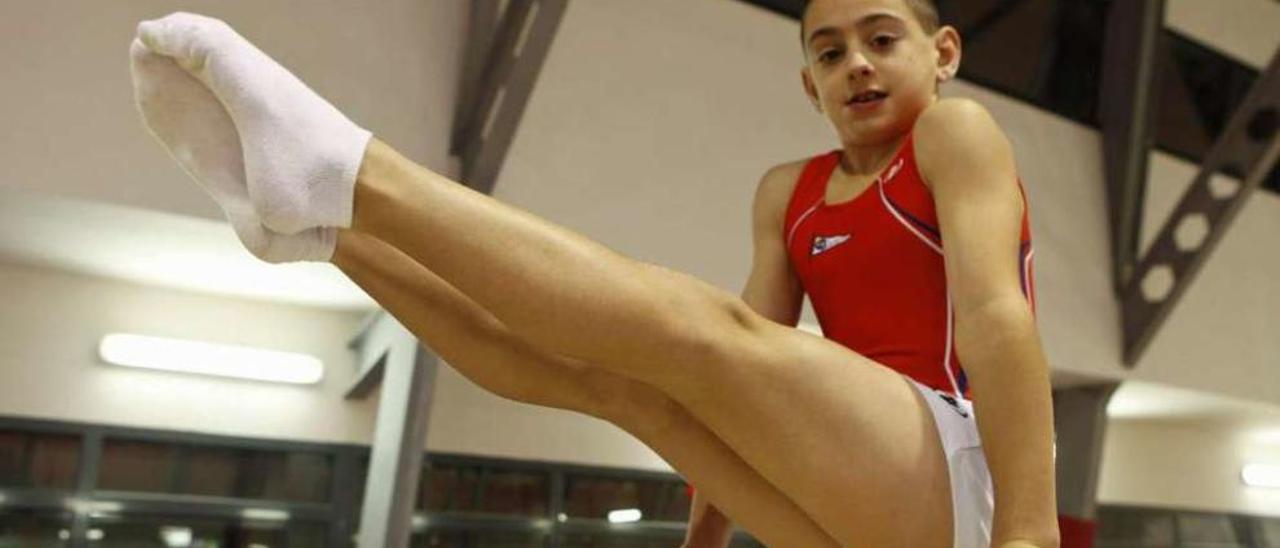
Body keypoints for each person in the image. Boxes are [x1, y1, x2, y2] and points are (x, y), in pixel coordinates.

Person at [128, 0, 1059, 545]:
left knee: (698, 335)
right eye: (828, 52)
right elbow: (749, 377)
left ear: (943, 55)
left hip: (968, 468)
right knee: (630, 389)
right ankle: (330, 237)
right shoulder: (792, 192)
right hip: (864, 493)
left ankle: (355, 173)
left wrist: (1030, 532)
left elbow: (997, 321)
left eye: (882, 38)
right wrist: (712, 529)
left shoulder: (954, 132)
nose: (855, 63)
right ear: (807, 85)